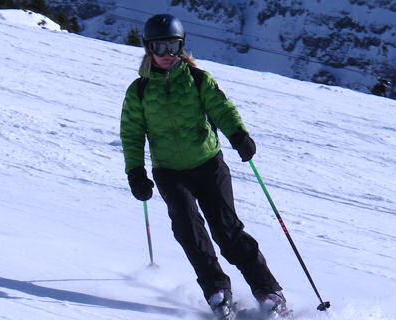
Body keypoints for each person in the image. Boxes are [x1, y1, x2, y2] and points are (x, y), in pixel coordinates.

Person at [119, 14, 287, 320]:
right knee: (188, 229)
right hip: (169, 171)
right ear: (148, 48)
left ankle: (268, 290)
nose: (167, 54)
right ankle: (216, 290)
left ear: (182, 47)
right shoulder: (139, 91)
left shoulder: (198, 80)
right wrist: (136, 172)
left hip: (208, 164)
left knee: (227, 231)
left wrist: (238, 134)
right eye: (160, 47)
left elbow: (221, 108)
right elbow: (131, 133)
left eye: (173, 46)